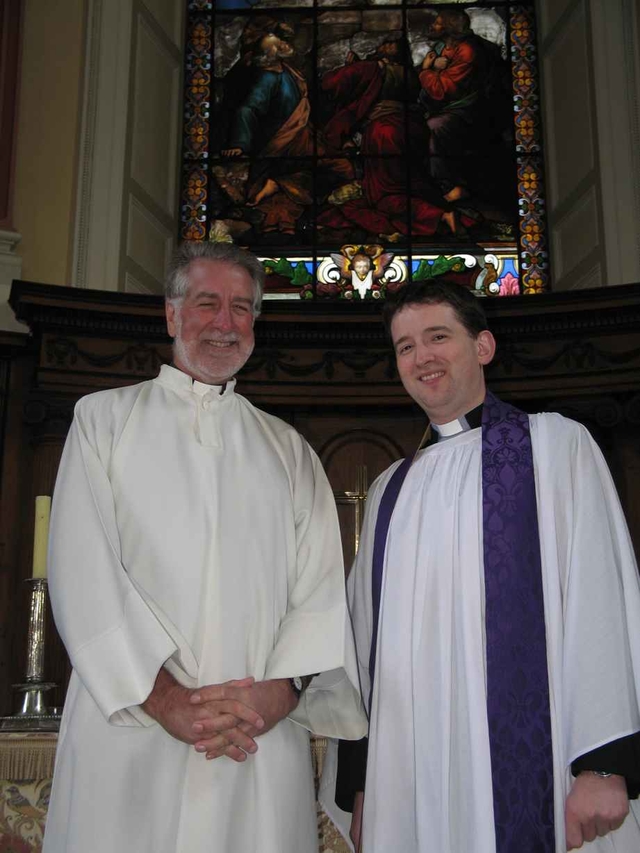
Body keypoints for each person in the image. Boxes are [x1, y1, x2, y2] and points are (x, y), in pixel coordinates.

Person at [43, 241, 366, 853]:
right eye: (208, 303)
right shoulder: (103, 422)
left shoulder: (287, 449)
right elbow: (83, 572)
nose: (225, 323)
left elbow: (320, 587)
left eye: (242, 308)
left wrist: (280, 693)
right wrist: (165, 700)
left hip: (256, 736)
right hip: (134, 726)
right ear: (172, 315)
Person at [332, 280, 640, 852]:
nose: (421, 356)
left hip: (544, 766)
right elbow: (364, 648)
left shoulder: (556, 446)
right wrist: (363, 787)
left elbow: (602, 599)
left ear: (483, 347)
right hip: (410, 773)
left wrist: (603, 764)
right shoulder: (388, 491)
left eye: (438, 337)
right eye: (404, 346)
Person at [319, 39, 473, 241]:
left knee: (385, 194)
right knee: (411, 182)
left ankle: (440, 216)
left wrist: (353, 68)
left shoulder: (373, 67)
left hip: (384, 133)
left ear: (384, 52)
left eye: (384, 44)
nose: (380, 45)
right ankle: (443, 203)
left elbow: (329, 83)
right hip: (414, 128)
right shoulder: (411, 73)